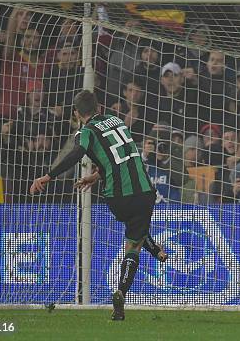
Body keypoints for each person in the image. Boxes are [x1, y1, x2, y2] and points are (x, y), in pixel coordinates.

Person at [29, 90, 168, 321]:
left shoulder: (86, 131)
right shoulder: (118, 122)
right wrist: (97, 174)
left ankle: (154, 249)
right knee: (134, 242)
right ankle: (123, 289)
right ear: (99, 107)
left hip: (117, 197)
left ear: (76, 113)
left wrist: (48, 175)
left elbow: (77, 152)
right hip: (145, 191)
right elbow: (121, 156)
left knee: (135, 229)